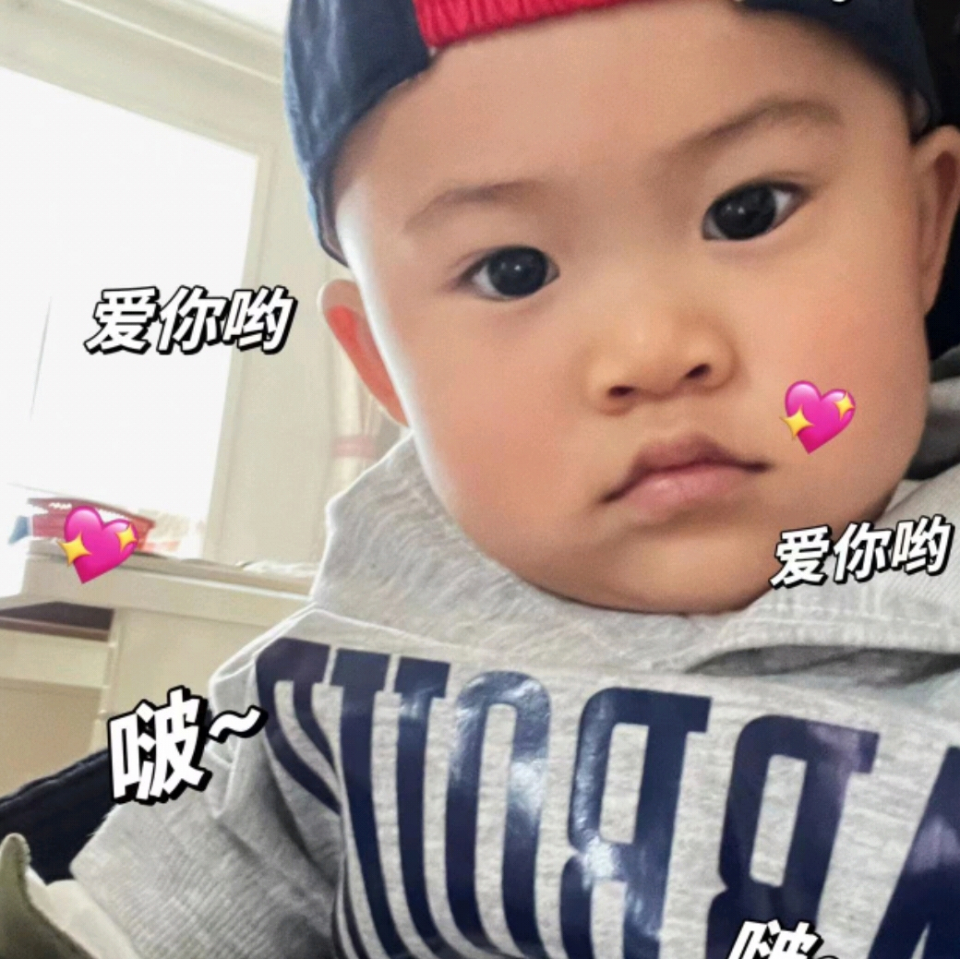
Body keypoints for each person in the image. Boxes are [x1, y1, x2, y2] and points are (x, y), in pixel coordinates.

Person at [3, 0, 960, 956]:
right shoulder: (338, 667)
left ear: (922, 225)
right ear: (382, 367)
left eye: (747, 211)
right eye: (513, 270)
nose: (652, 349)